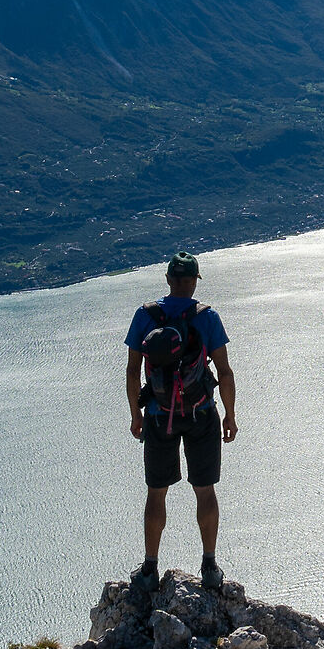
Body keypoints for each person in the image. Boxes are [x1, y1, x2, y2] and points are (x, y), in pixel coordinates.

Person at [124, 251, 238, 591]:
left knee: (156, 493)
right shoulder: (207, 317)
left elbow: (132, 372)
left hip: (159, 416)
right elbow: (225, 371)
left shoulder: (145, 316)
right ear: (193, 281)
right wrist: (230, 415)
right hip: (201, 413)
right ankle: (209, 564)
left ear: (169, 280)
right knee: (205, 490)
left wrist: (136, 415)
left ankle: (149, 568)